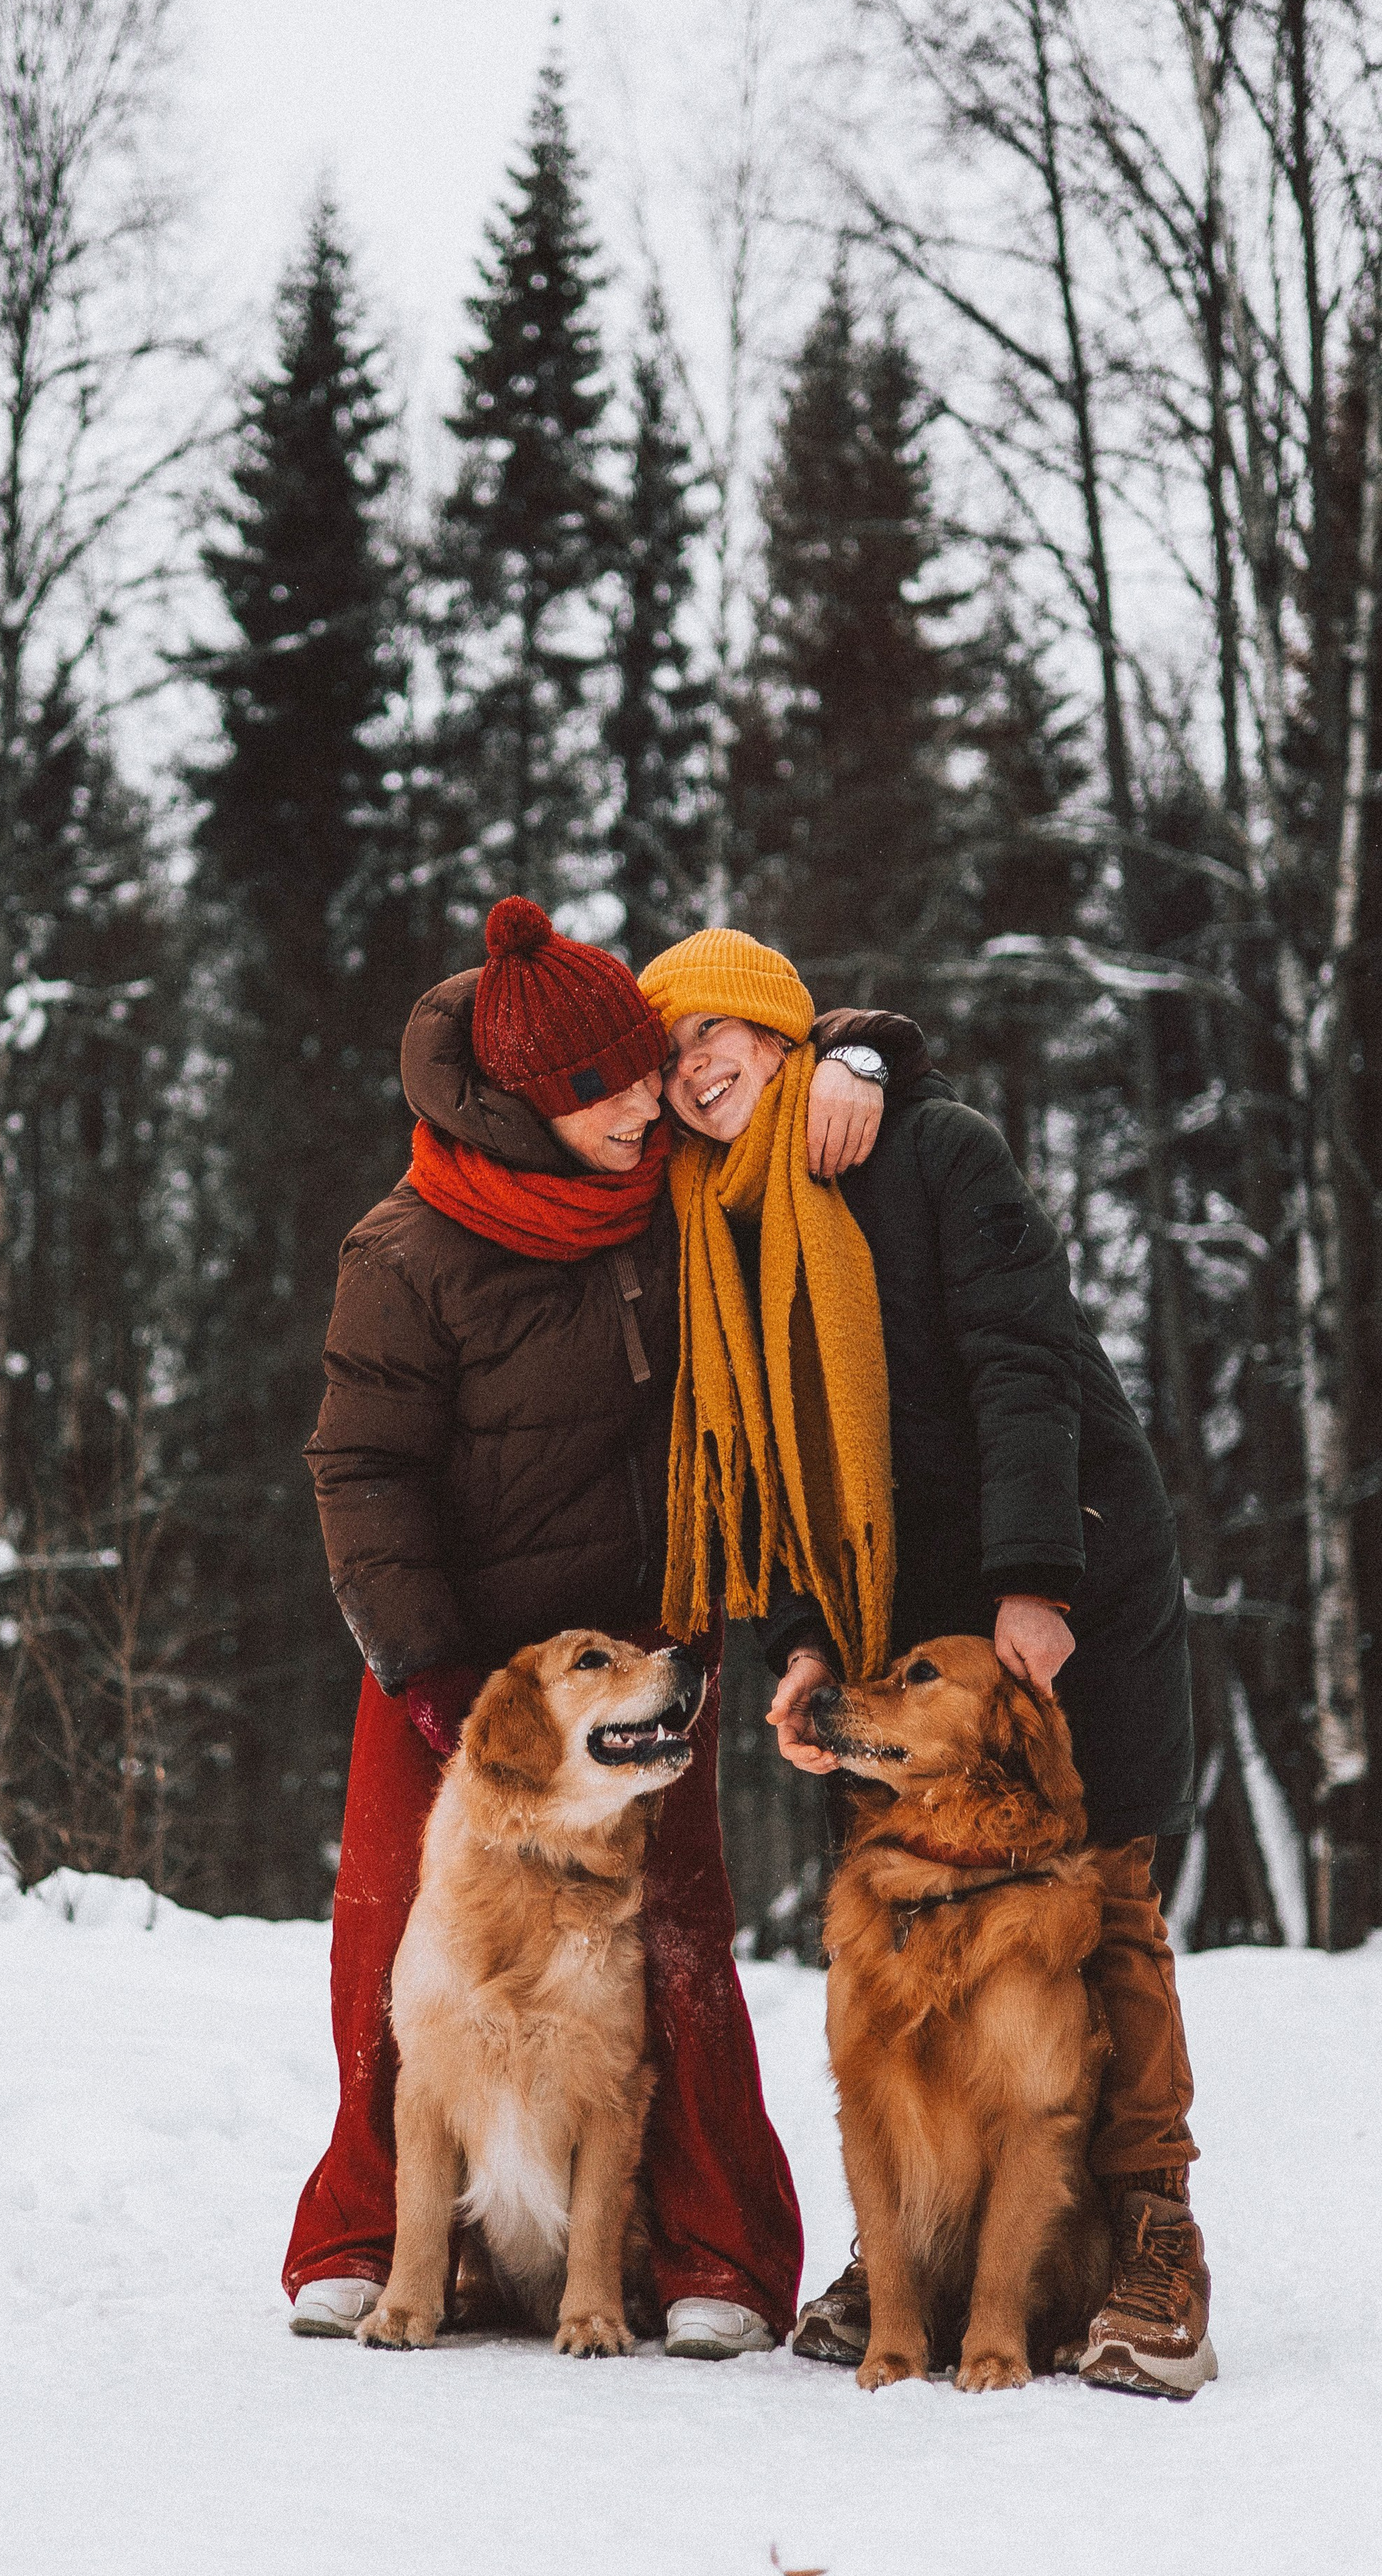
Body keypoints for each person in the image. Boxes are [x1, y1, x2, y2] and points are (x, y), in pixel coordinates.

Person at [284, 896, 922, 2354]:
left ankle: (714, 2258)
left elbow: (763, 1062)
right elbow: (359, 1467)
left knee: (676, 1945)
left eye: (644, 1071)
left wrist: (866, 1058)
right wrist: (431, 1674)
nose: (646, 1101)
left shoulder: (666, 1179)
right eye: (605, 1089)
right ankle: (374, 2237)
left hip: (638, 1653)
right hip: (453, 1656)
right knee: (395, 1933)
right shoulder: (405, 1246)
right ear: (523, 1106)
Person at [634, 925, 1214, 2402]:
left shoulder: (927, 1146)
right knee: (910, 1928)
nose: (690, 1067)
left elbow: (1024, 1358)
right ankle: (916, 2250)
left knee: (1103, 1903)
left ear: (773, 1031)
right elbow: (760, 1475)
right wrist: (805, 1645)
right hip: (894, 1633)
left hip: (1061, 1571)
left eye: (711, 1033)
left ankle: (1154, 2248)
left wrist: (1034, 1584)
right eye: (666, 1057)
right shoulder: (717, 1227)